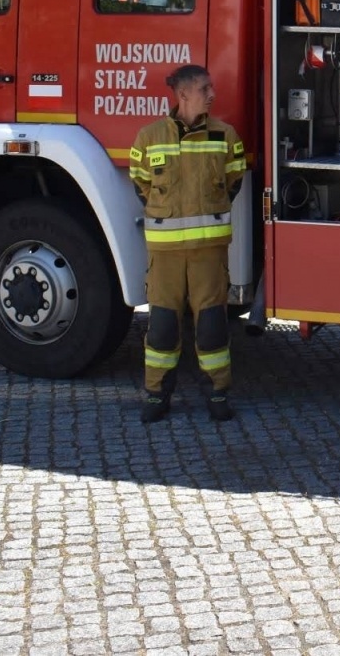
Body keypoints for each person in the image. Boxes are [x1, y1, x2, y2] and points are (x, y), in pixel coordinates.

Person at [129, 65, 248, 423]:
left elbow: (234, 180)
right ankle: (156, 396)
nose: (212, 94)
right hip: (165, 255)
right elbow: (141, 183)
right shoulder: (149, 138)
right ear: (183, 95)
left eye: (211, 87)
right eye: (204, 88)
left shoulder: (225, 136)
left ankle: (218, 393)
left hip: (208, 254)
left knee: (213, 326)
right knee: (163, 326)